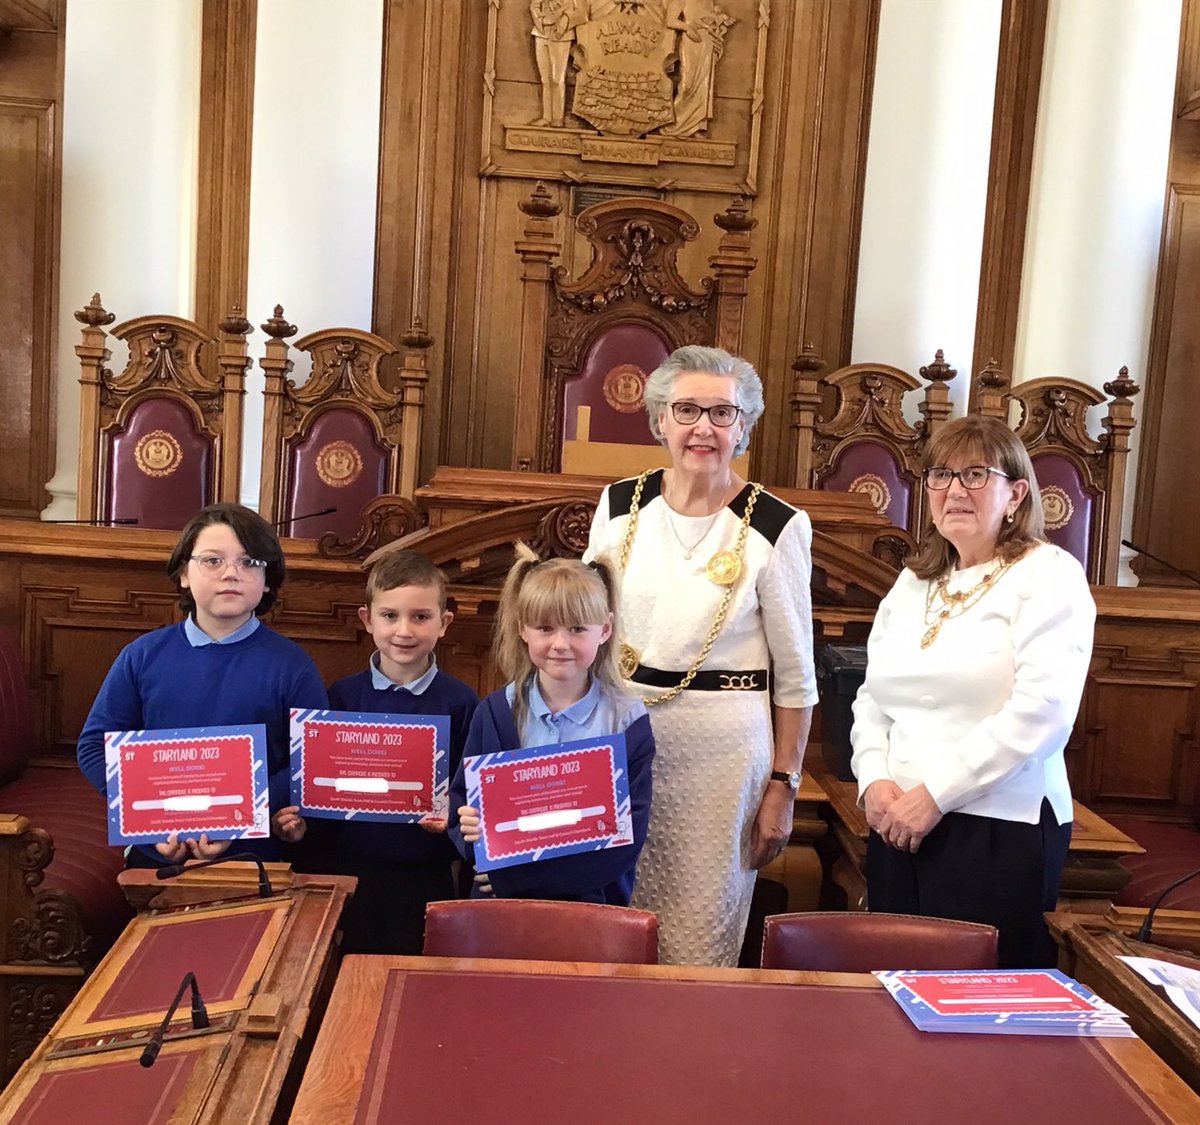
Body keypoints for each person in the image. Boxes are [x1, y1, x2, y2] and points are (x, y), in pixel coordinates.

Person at [585, 345, 818, 966]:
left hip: (723, 757)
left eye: (722, 413)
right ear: (660, 419)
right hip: (622, 740)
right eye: (687, 410)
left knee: (696, 937)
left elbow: (797, 678)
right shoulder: (618, 505)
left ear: (744, 427)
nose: (703, 428)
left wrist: (784, 786)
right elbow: (586, 625)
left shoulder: (777, 525)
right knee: (612, 922)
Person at [850, 414, 1097, 969]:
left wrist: (936, 796)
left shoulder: (1048, 574)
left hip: (998, 826)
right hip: (896, 821)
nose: (955, 490)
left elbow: (1043, 712)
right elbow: (871, 696)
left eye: (976, 475)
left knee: (975, 1000)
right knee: (893, 986)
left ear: (1017, 494)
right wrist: (874, 780)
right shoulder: (915, 582)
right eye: (941, 475)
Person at [77, 503, 327, 867]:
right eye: (212, 560)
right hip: (158, 850)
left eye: (249, 562)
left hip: (254, 854)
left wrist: (240, 819)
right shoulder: (142, 655)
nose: (231, 573)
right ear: (184, 573)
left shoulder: (293, 666)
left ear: (267, 580)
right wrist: (151, 827)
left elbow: (311, 761)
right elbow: (93, 748)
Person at [448, 548, 654, 904]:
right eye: (545, 628)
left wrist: (519, 881)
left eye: (577, 629)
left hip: (590, 904)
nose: (560, 644)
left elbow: (627, 839)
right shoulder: (496, 712)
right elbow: (462, 806)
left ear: (605, 629)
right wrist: (467, 825)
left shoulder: (626, 720)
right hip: (500, 907)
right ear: (522, 629)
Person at [308, 550, 479, 954]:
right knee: (347, 967)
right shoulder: (341, 697)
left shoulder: (461, 702)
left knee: (415, 971)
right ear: (367, 619)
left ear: (444, 623)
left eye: (420, 616)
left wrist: (450, 815)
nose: (404, 630)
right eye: (390, 616)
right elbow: (320, 785)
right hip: (349, 870)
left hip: (426, 873)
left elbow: (468, 791)